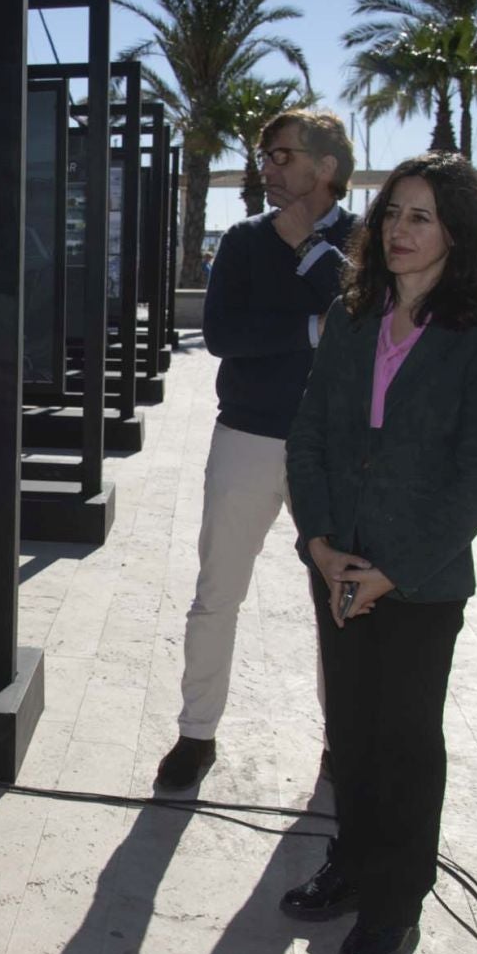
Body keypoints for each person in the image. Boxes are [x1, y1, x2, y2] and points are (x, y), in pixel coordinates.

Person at [279, 152, 477, 954]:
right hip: (339, 562)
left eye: (420, 216)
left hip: (418, 577)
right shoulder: (353, 315)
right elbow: (309, 433)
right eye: (392, 214)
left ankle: (395, 900)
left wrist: (395, 568)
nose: (400, 231)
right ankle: (352, 865)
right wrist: (318, 543)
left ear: (457, 231)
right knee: (350, 730)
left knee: (406, 741)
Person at [154, 109, 356, 791]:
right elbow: (222, 335)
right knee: (217, 593)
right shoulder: (241, 241)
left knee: (340, 596)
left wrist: (311, 254)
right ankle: (196, 734)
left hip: (333, 450)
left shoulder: (365, 243)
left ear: (325, 167)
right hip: (246, 436)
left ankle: (343, 743)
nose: (265, 167)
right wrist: (308, 326)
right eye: (264, 155)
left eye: (279, 155)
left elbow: (363, 328)